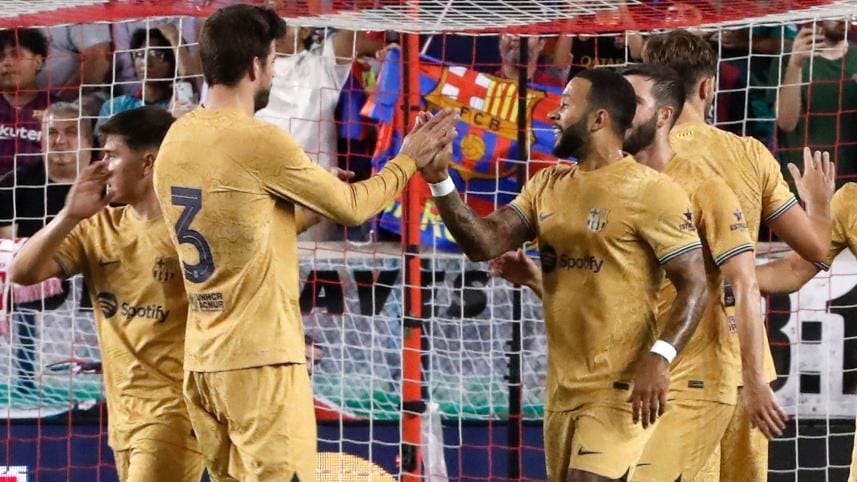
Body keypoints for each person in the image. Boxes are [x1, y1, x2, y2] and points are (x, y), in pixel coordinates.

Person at [152, 5, 456, 480]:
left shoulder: (177, 138)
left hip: (204, 363)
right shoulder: (260, 140)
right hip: (262, 364)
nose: (274, 73)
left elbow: (234, 228)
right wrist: (408, 159)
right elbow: (354, 207)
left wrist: (307, 210)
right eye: (273, 61)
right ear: (255, 66)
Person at [422, 67, 709, 481]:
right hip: (561, 391)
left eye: (565, 105)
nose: (554, 114)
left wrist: (660, 357)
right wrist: (440, 181)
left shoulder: (652, 191)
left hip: (621, 387)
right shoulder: (547, 185)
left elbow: (695, 284)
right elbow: (484, 242)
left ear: (598, 119)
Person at [643, 28, 834, 481]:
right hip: (746, 375)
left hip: (670, 371)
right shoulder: (750, 154)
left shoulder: (639, 163)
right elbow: (812, 255)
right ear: (708, 87)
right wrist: (820, 206)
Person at [8, 106, 205, 482]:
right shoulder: (98, 227)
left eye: (112, 155)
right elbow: (23, 273)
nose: (101, 167)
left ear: (148, 164)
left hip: (174, 415)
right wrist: (68, 215)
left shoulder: (194, 232)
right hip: (123, 416)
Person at [773, 20, 857, 185]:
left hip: (852, 183)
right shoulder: (788, 58)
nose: (843, 18)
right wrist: (795, 65)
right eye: (834, 12)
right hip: (804, 183)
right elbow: (786, 123)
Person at [97, 28, 177, 130]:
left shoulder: (179, 107)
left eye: (156, 55)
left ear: (172, 62)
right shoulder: (115, 106)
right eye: (140, 54)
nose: (146, 62)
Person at [0, 28, 51, 176]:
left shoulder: (56, 110)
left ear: (38, 62)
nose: (6, 62)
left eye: (16, 55)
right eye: (0, 57)